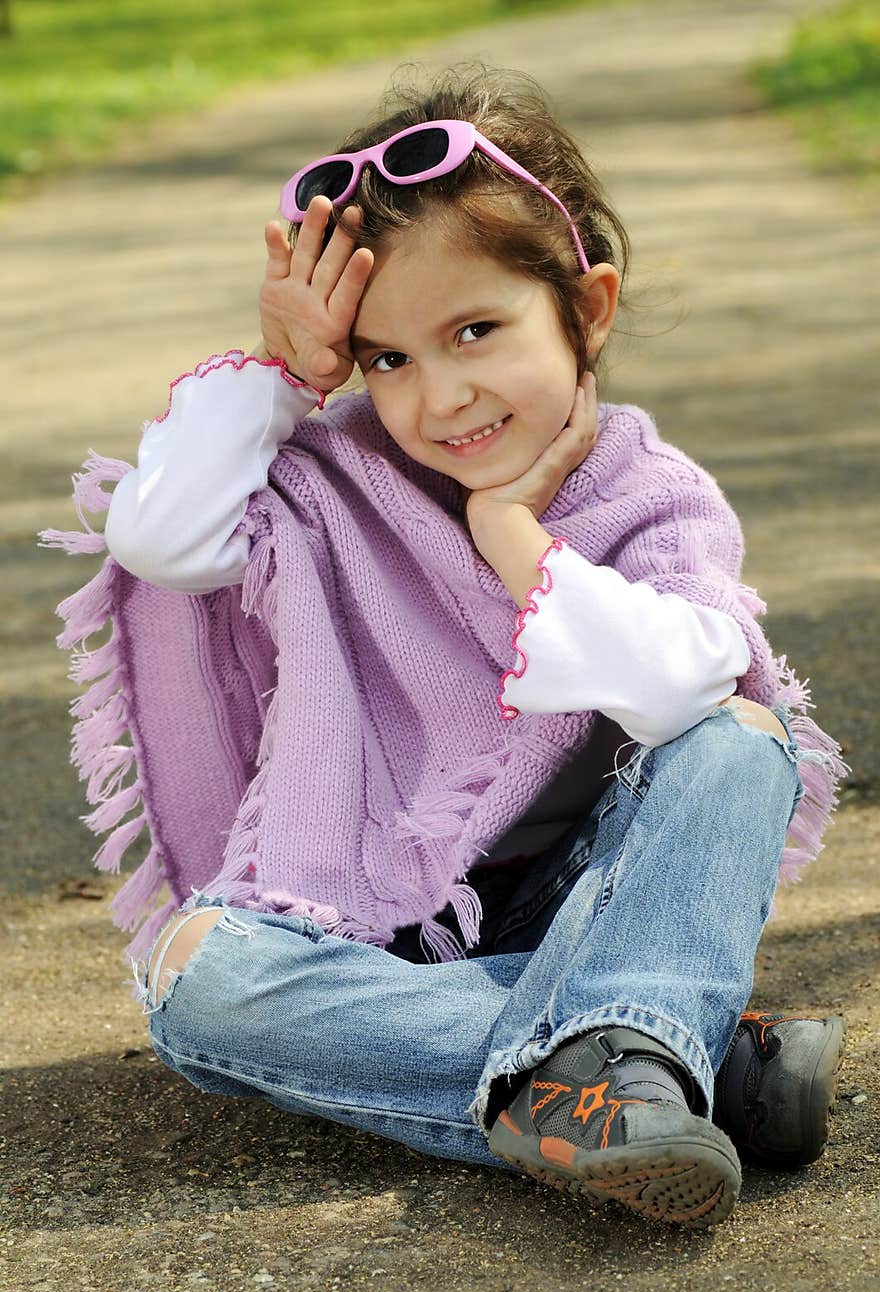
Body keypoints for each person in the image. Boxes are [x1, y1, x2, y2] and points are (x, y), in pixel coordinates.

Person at [42, 64, 847, 1230]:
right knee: (200, 979)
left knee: (739, 738)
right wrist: (286, 374)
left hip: (592, 900)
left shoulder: (651, 496)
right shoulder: (338, 476)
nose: (442, 395)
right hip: (381, 932)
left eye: (478, 330)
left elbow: (684, 687)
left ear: (588, 310)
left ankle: (627, 1056)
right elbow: (164, 539)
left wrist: (513, 534)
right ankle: (668, 1055)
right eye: (388, 358)